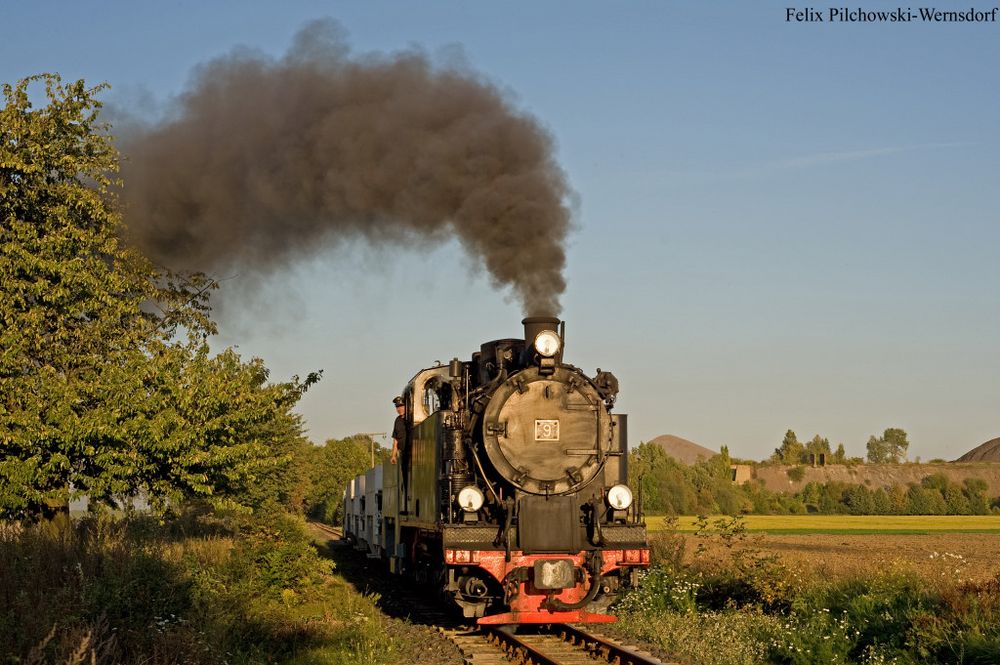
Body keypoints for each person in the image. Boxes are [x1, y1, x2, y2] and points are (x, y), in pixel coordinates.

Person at [390, 396, 405, 465]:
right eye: (397, 407)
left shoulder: (411, 418)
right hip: (402, 453)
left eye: (401, 406)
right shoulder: (397, 420)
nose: (399, 409)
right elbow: (395, 440)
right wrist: (393, 455)